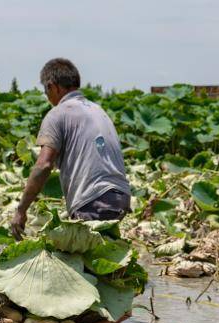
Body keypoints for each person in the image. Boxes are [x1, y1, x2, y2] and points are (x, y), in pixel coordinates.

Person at [10, 58, 131, 236]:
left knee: (78, 260)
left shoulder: (58, 114)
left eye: (46, 90)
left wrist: (21, 210)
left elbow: (43, 165)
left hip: (94, 200)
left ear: (53, 86)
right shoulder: (98, 110)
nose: (47, 96)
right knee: (102, 257)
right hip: (120, 197)